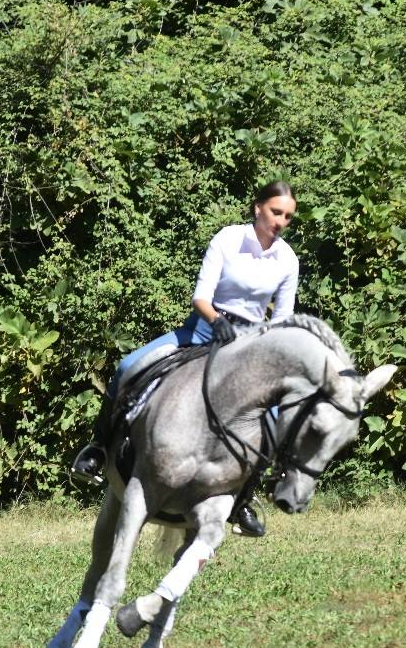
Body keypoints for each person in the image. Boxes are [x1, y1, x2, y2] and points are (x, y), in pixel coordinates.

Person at [71, 180, 300, 537]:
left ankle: (245, 497)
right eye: (276, 212)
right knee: (128, 365)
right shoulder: (227, 238)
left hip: (247, 343)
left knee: (275, 410)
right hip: (203, 329)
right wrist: (217, 321)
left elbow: (282, 320)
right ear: (257, 208)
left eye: (287, 216)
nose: (281, 221)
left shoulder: (287, 259)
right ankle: (97, 449)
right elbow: (201, 297)